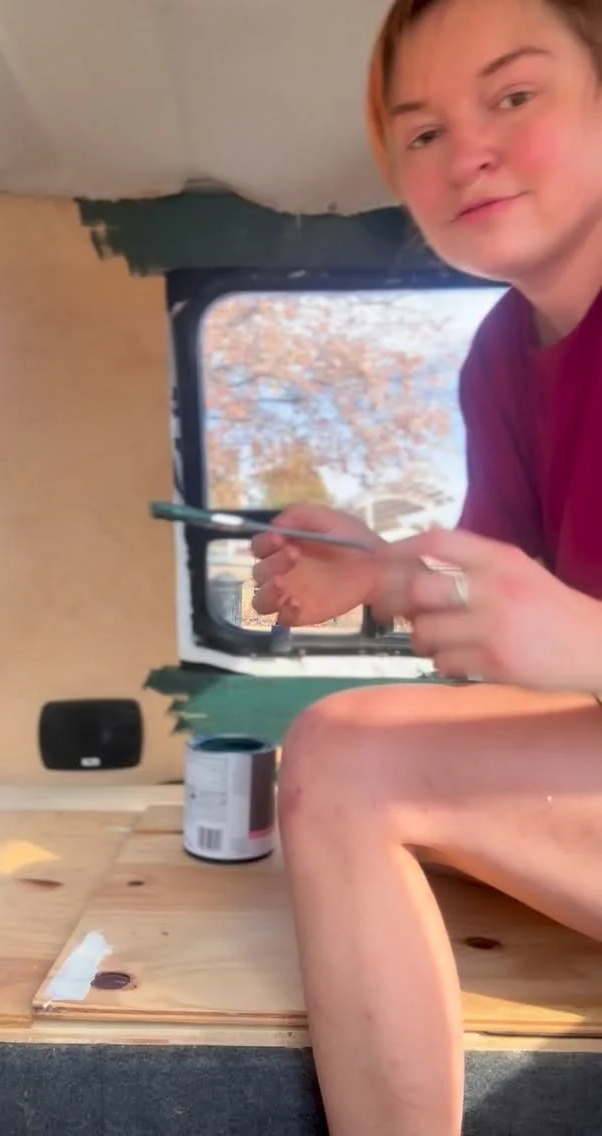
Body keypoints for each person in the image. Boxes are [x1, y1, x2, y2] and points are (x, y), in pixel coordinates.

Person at [250, 0, 602, 1133]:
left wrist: (586, 641)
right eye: (423, 132)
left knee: (344, 757)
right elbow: (501, 608)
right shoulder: (501, 353)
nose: (467, 153)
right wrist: (373, 572)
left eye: (513, 96)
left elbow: (564, 636)